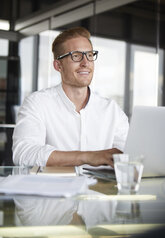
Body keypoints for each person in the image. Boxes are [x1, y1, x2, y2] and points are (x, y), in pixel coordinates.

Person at [12, 27, 129, 169]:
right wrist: (88, 157)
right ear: (58, 65)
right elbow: (24, 154)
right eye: (76, 56)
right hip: (55, 190)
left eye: (90, 55)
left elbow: (129, 156)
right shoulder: (37, 103)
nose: (85, 62)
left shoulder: (112, 110)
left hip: (100, 190)